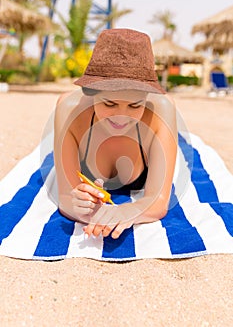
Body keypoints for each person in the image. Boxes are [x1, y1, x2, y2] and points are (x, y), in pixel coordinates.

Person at [54, 28, 177, 240]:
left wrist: (125, 212)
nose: (121, 117)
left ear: (147, 98)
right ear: (92, 94)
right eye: (109, 103)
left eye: (135, 105)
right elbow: (66, 197)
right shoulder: (69, 110)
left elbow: (158, 200)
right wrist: (80, 206)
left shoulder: (161, 112)